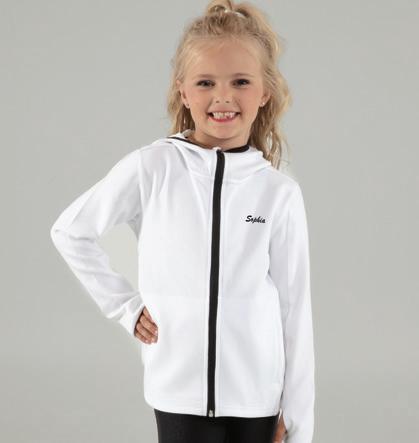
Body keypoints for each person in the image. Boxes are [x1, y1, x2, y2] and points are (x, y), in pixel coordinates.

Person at [50, 1, 315, 442]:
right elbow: (70, 231)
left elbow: (295, 309)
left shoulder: (277, 192)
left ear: (265, 92)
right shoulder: (154, 167)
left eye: (241, 82)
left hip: (257, 398)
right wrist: (125, 306)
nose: (223, 97)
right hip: (178, 394)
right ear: (183, 91)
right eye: (205, 82)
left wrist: (299, 420)